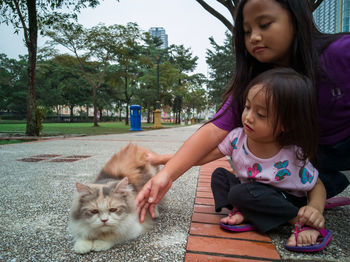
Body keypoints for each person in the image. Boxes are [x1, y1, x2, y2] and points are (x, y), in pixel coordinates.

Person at [136, 0, 350, 231]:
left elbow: (313, 182)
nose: (254, 37)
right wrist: (166, 174)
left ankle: (280, 211)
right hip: (303, 163)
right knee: (228, 181)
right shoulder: (256, 84)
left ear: (296, 19)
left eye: (265, 24)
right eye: (247, 31)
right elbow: (213, 133)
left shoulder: (340, 54)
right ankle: (267, 206)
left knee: (246, 192)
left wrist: (315, 208)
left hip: (323, 156)